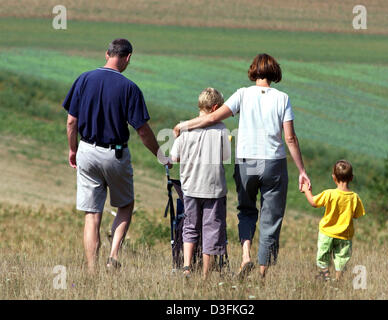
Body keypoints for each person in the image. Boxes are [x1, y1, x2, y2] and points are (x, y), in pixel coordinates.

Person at [173, 54, 311, 278]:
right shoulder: (282, 98)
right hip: (273, 162)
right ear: (274, 72)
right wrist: (302, 171)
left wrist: (183, 125)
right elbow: (290, 138)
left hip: (247, 161)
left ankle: (246, 253)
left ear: (253, 72)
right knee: (271, 217)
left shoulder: (243, 94)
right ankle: (263, 272)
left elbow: (211, 118)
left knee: (246, 210)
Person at [63, 38, 171, 273]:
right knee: (125, 205)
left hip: (86, 150)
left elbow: (72, 121)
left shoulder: (84, 79)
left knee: (92, 214)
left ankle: (92, 269)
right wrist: (160, 155)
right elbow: (142, 130)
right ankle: (113, 256)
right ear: (128, 58)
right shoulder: (129, 88)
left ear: (107, 54)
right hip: (115, 154)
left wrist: (73, 149)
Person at [170, 88, 231, 279]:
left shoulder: (185, 129)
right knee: (212, 229)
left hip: (190, 186)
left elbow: (174, 157)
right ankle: (205, 274)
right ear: (215, 108)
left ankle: (187, 266)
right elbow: (226, 157)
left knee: (190, 226)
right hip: (213, 188)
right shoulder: (222, 130)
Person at [301, 160, 365, 281]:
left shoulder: (329, 193)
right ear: (351, 178)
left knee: (322, 256)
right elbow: (356, 215)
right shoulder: (355, 197)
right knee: (341, 259)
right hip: (345, 235)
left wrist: (306, 190)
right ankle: (338, 280)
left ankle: (325, 276)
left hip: (327, 233)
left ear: (333, 177)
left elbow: (314, 203)